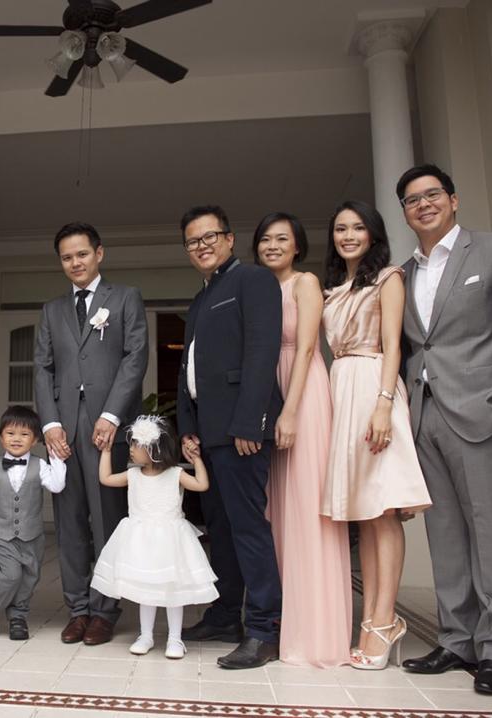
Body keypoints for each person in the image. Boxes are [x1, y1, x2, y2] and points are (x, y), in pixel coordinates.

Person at [395, 165, 492, 694]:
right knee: (444, 537)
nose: (424, 204)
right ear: (405, 212)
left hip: (485, 412)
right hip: (425, 415)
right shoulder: (404, 273)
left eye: (432, 195)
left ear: (453, 200)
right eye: (413, 200)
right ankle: (456, 640)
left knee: (491, 533)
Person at [321, 200, 431, 671]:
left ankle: (385, 621)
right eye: (340, 228)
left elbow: (392, 346)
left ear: (373, 234)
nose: (348, 235)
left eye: (357, 228)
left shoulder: (388, 278)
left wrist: (384, 403)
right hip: (341, 389)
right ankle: (370, 620)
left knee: (384, 511)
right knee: (364, 514)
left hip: (373, 387)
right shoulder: (333, 290)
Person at [176, 205, 284, 670]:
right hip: (207, 434)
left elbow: (262, 352)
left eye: (209, 237)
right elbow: (188, 370)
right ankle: (224, 617)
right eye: (193, 241)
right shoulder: (200, 299)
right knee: (218, 530)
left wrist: (249, 422)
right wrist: (187, 428)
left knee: (247, 529)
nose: (202, 246)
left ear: (229, 238)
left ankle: (264, 629)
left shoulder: (253, 280)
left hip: (240, 431)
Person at [34, 222, 148, 646]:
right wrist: (50, 424)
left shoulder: (126, 297)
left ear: (99, 253)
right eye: (66, 257)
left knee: (106, 521)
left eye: (82, 254)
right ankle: (77, 609)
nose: (75, 263)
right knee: (68, 524)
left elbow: (135, 358)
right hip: (63, 430)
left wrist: (112, 414)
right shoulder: (52, 310)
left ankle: (104, 610)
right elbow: (43, 369)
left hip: (107, 429)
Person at [254, 212, 351, 668]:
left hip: (303, 392)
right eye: (265, 239)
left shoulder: (305, 283)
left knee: (307, 505)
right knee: (278, 509)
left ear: (297, 246)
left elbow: (309, 346)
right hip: (269, 393)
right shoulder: (258, 289)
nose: (272, 246)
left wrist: (290, 411)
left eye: (282, 239)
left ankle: (316, 631)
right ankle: (282, 622)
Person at [91, 415, 217, 660]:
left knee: (173, 592)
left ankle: (175, 639)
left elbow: (201, 485)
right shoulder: (133, 474)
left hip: (170, 542)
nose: (131, 449)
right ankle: (145, 635)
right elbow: (105, 479)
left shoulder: (176, 474)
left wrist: (197, 459)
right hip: (141, 542)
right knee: (145, 590)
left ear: (154, 449)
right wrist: (106, 452)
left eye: (136, 444)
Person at [0, 406, 67, 641]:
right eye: (10, 433)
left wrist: (57, 460)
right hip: (4, 535)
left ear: (34, 440)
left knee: (29, 579)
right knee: (10, 576)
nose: (16, 439)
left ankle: (18, 617)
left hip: (32, 536)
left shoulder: (40, 465)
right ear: (0, 437)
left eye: (24, 434)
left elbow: (56, 485)